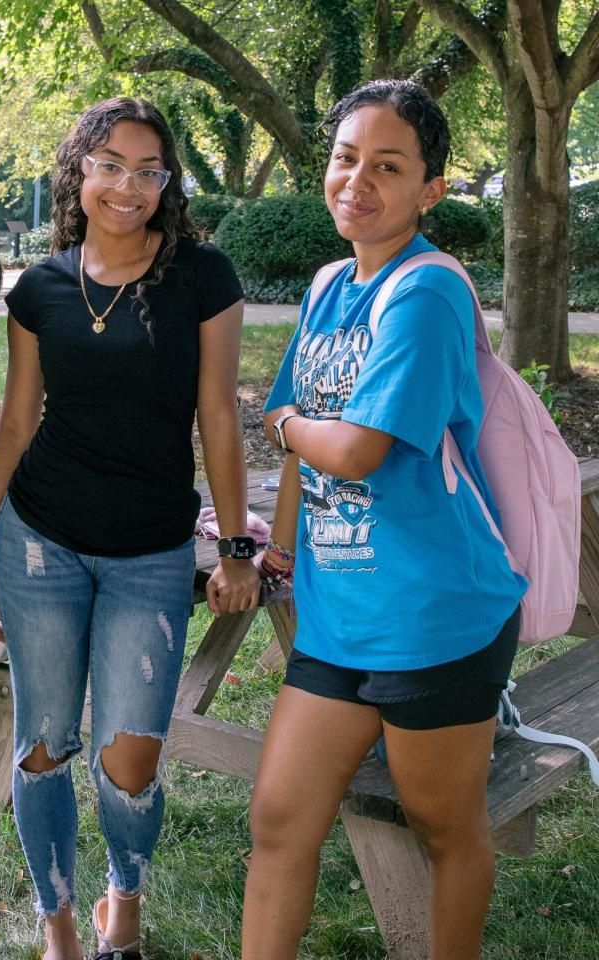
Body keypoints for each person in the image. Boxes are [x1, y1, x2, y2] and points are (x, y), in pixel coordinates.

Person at [0, 97, 260, 960]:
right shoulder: (45, 287)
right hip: (38, 539)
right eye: (110, 165)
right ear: (79, 171)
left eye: (149, 170)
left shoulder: (202, 275)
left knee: (129, 758)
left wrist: (237, 543)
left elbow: (217, 414)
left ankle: (121, 896)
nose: (128, 186)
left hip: (151, 551)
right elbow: (15, 425)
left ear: (167, 183)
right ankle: (55, 917)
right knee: (43, 745)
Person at [244, 79, 527, 960]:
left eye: (388, 166)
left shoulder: (428, 291)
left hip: (433, 615)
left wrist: (284, 421)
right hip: (338, 615)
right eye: (345, 158)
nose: (357, 181)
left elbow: (353, 446)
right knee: (280, 820)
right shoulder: (331, 283)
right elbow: (302, 438)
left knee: (445, 829)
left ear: (429, 190)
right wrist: (282, 548)